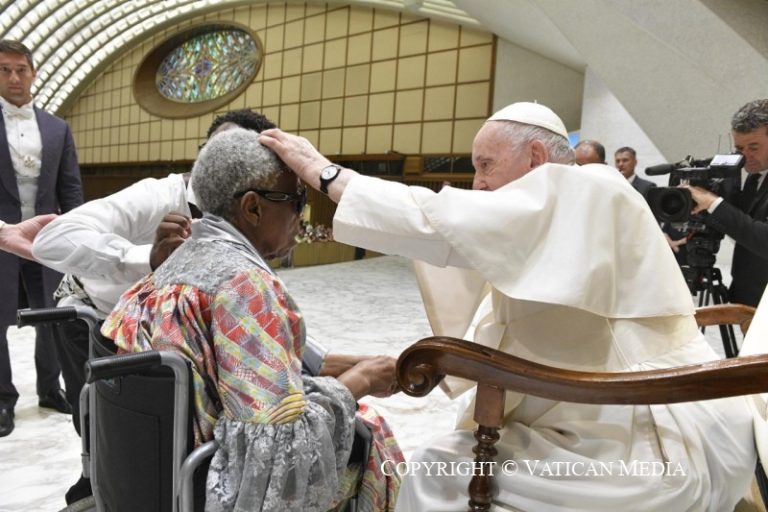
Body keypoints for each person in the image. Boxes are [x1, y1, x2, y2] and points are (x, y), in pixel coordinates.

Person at [258, 102, 756, 511]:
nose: (477, 184)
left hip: (644, 435)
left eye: (485, 166)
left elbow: (437, 221)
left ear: (536, 157)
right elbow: (468, 253)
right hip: (597, 413)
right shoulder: (557, 211)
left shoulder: (591, 187)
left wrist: (327, 175)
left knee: (434, 472)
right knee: (444, 458)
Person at [102, 127, 404, 511]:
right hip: (209, 483)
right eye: (296, 200)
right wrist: (362, 380)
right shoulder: (243, 285)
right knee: (370, 429)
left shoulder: (172, 264)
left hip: (152, 471)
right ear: (253, 208)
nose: (302, 216)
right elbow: (278, 456)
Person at [0, 39, 83, 438]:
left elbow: (71, 187)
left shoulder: (57, 128)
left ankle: (51, 390)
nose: (14, 77)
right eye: (4, 70)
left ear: (33, 73)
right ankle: (3, 398)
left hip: (45, 239)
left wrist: (79, 231)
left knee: (52, 316)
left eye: (21, 69)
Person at [685, 99, 768, 307]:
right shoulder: (755, 176)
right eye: (739, 148)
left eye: (754, 147)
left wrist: (714, 203)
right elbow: (743, 224)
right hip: (747, 298)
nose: (746, 156)